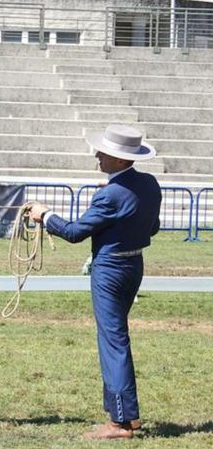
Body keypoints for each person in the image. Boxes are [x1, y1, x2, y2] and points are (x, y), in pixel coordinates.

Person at [28, 125, 161, 440]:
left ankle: (121, 421)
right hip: (133, 265)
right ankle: (121, 414)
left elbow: (74, 233)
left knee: (113, 341)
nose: (98, 155)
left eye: (104, 152)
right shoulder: (149, 184)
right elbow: (152, 227)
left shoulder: (110, 194)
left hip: (110, 269)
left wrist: (45, 216)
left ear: (119, 160)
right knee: (115, 338)